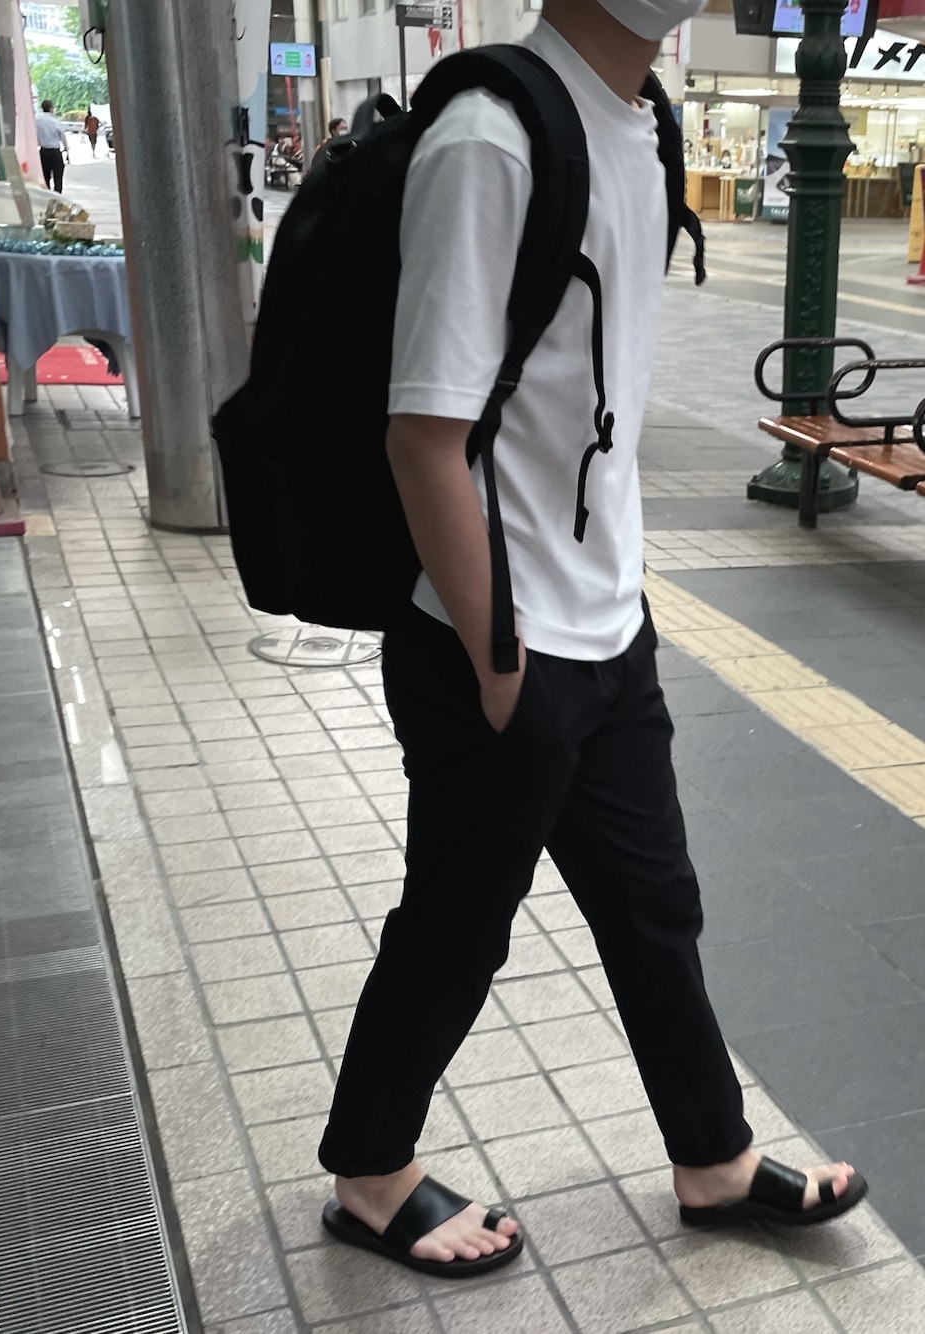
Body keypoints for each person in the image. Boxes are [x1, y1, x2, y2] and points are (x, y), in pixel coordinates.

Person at [317, 0, 866, 1279]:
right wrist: (501, 660)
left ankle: (712, 1157)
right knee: (459, 923)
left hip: (610, 624)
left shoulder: (644, 120)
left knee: (653, 904)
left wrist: (613, 605)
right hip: (495, 637)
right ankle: (369, 1170)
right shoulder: (491, 134)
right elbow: (422, 435)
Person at [35, 99, 68, 193]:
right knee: (58, 176)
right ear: (51, 109)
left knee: (45, 176)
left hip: (43, 152)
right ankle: (57, 195)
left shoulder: (37, 121)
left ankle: (47, 194)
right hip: (55, 152)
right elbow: (62, 135)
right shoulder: (55, 121)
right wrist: (66, 148)